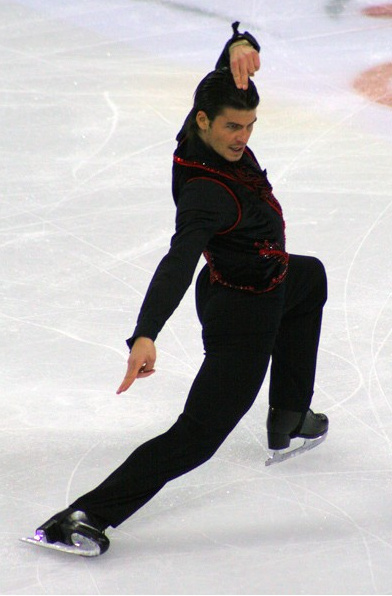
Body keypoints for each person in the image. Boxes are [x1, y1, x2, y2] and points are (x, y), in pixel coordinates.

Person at [24, 22, 328, 557]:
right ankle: (82, 516)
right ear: (205, 122)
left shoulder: (199, 130)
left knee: (310, 277)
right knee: (197, 436)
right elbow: (177, 262)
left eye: (251, 126)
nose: (243, 138)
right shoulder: (208, 194)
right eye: (234, 126)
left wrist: (238, 45)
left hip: (262, 279)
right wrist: (145, 334)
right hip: (243, 310)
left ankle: (289, 414)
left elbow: (216, 83)